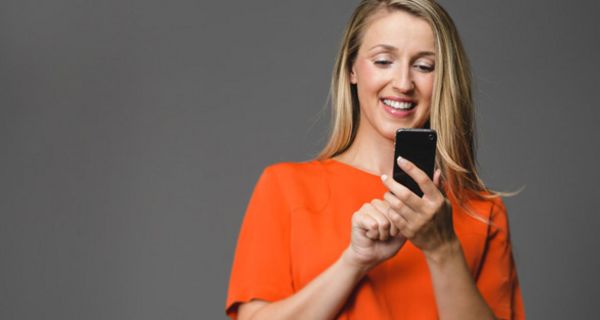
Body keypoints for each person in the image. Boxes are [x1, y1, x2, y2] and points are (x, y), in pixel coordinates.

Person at [225, 0, 525, 319]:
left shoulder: (480, 210)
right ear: (352, 68)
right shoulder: (286, 188)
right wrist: (354, 261)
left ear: (444, 80)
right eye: (384, 61)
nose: (404, 83)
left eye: (424, 66)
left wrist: (443, 248)